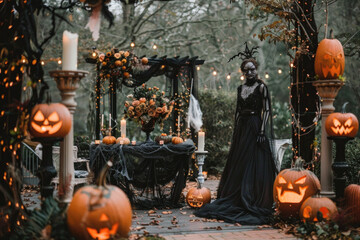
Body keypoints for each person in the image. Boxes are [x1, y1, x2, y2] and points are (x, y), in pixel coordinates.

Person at [194, 57, 278, 224]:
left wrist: (262, 131)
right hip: (242, 128)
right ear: (243, 72)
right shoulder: (240, 88)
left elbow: (267, 110)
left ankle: (253, 197)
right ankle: (236, 196)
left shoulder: (262, 87)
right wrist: (236, 130)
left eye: (252, 69)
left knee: (254, 161)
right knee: (239, 162)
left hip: (255, 126)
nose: (250, 72)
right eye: (246, 70)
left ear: (257, 69)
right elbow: (238, 112)